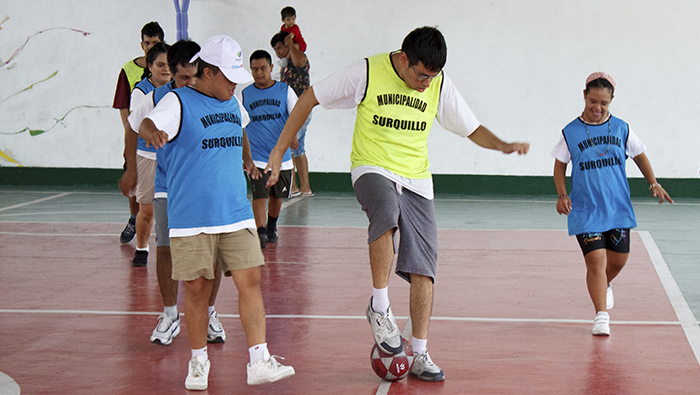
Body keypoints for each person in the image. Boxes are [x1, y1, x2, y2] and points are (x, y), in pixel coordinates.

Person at [264, 26, 529, 382]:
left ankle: (419, 352)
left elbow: (470, 127)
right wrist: (280, 150)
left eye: (431, 78)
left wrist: (502, 145)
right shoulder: (368, 72)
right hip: (371, 167)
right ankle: (379, 305)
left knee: (424, 268)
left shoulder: (437, 83)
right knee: (386, 213)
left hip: (416, 178)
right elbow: (310, 96)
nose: (425, 84)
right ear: (404, 59)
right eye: (421, 75)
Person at [139, 35, 295, 390]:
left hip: (236, 213)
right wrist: (153, 133)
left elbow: (240, 130)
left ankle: (258, 360)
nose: (235, 83)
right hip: (192, 217)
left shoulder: (232, 101)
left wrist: (248, 162)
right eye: (228, 76)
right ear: (206, 72)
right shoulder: (179, 102)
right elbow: (147, 123)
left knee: (250, 280)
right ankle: (198, 363)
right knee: (197, 290)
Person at [551, 72, 673, 336]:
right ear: (584, 95)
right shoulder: (570, 132)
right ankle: (601, 315)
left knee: (618, 260)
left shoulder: (621, 128)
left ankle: (604, 285)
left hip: (617, 206)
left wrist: (653, 182)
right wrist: (562, 194)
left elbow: (640, 156)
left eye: (603, 103)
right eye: (593, 101)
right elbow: (559, 166)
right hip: (585, 208)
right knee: (595, 260)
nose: (597, 107)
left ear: (611, 101)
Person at [126, 40, 227, 346]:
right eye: (182, 78)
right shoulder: (157, 98)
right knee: (166, 248)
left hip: (203, 186)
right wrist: (131, 167)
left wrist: (246, 160)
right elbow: (134, 126)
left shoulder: (214, 96)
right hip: (168, 184)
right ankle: (170, 315)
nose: (188, 83)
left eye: (192, 76)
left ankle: (209, 311)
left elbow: (240, 128)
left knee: (214, 252)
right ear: (171, 74)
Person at [113, 21, 164, 244]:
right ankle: (134, 218)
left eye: (154, 43)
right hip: (138, 138)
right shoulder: (129, 70)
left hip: (163, 143)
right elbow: (123, 104)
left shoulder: (169, 73)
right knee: (135, 185)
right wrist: (131, 130)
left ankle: (163, 231)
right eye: (146, 42)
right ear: (141, 44)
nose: (149, 46)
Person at [242, 50, 297, 248]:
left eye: (263, 68)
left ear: (271, 68)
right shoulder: (245, 94)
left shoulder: (285, 90)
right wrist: (244, 156)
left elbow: (296, 115)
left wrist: (294, 135)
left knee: (276, 196)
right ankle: (261, 231)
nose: (259, 73)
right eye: (255, 69)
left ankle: (272, 226)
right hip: (257, 156)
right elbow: (241, 126)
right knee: (259, 194)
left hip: (281, 156)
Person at [123, 42, 171, 267]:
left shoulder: (179, 89)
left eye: (169, 64)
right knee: (148, 209)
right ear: (150, 66)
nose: (165, 69)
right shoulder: (142, 92)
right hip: (148, 156)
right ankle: (142, 247)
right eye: (160, 64)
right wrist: (131, 168)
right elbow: (134, 127)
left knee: (171, 208)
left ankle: (168, 246)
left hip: (172, 157)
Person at [270, 31, 313, 196]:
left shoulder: (299, 58)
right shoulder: (286, 64)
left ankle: (292, 187)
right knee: (299, 149)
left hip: (301, 110)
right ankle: (305, 188)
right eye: (276, 50)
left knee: (287, 144)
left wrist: (291, 43)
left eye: (280, 47)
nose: (278, 52)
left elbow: (300, 62)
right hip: (292, 111)